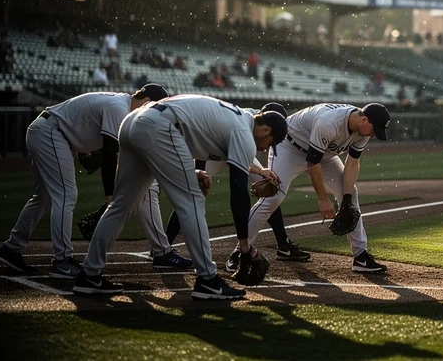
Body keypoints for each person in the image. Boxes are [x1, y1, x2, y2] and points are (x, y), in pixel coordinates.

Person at [72, 95, 288, 300]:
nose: (267, 147)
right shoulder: (244, 132)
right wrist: (245, 247)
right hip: (159, 127)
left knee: (121, 205)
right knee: (192, 201)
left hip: (133, 123)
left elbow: (188, 133)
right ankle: (207, 279)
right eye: (271, 142)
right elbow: (238, 192)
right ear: (265, 130)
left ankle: (89, 274)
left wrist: (188, 172)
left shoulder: (236, 116)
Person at [0, 84, 171, 278]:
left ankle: (11, 248)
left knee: (43, 197)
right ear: (146, 102)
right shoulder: (119, 109)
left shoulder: (120, 102)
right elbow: (110, 155)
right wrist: (110, 195)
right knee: (66, 194)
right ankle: (62, 261)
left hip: (47, 131)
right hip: (51, 133)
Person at [234, 103, 391, 274]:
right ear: (364, 119)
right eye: (374, 129)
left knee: (351, 193)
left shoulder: (363, 130)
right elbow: (312, 163)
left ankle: (361, 256)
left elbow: (352, 163)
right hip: (290, 148)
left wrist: (345, 199)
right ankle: (240, 252)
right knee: (273, 197)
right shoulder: (329, 122)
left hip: (324, 155)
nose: (374, 134)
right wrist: (323, 199)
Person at [163, 102, 311, 266]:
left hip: (231, 145)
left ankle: (283, 244)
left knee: (270, 187)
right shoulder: (246, 124)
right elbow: (234, 155)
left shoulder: (256, 123)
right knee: (193, 193)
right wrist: (261, 170)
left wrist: (262, 172)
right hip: (210, 151)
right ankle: (165, 246)